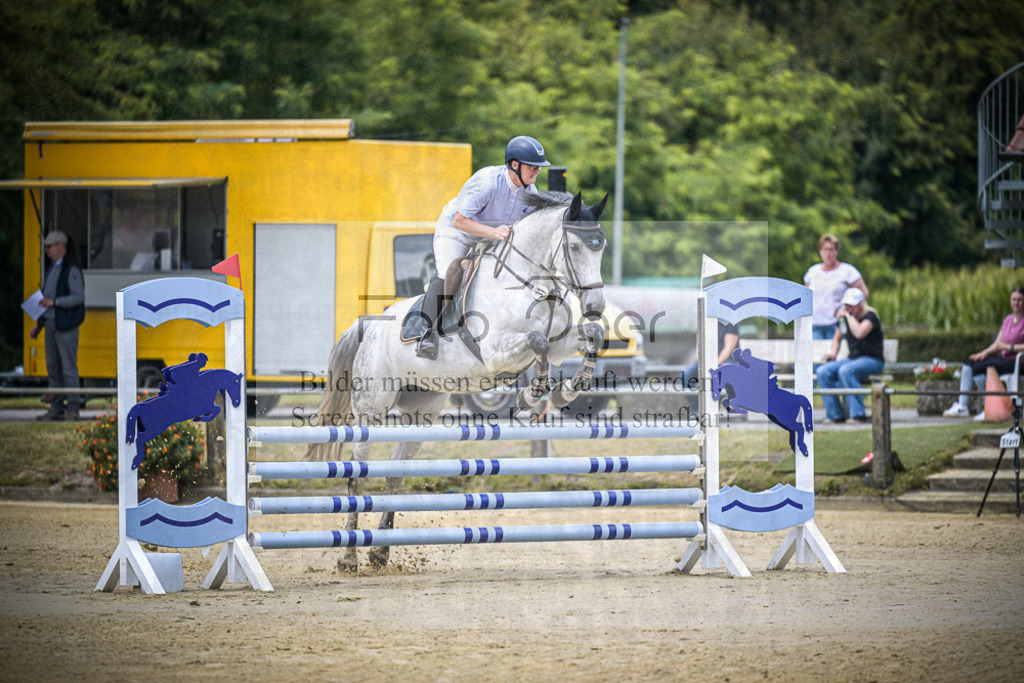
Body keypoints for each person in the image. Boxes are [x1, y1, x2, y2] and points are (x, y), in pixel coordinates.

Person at [416, 135, 551, 359]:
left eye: (539, 168)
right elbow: (459, 220)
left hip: (491, 237)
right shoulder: (487, 181)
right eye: (532, 167)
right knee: (447, 270)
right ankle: (426, 331)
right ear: (514, 165)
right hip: (456, 232)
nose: (536, 171)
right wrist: (493, 232)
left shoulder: (530, 193)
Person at [943, 286, 1024, 419]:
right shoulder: (1008, 320)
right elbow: (998, 344)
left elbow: (1004, 345)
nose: (1016, 303)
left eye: (1020, 300)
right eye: (1014, 299)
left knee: (980, 367)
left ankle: (988, 408)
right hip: (1005, 359)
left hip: (1018, 362)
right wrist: (983, 353)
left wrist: (1009, 347)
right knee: (971, 362)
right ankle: (963, 405)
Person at [30, 231, 86, 421]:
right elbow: (46, 300)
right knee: (52, 368)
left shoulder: (71, 270)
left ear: (61, 246)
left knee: (68, 368)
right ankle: (56, 408)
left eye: (50, 245)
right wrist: (39, 325)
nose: (47, 249)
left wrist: (54, 302)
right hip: (51, 325)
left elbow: (78, 297)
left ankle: (73, 408)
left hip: (66, 326)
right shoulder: (53, 268)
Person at [816, 288, 884, 423]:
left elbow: (859, 333)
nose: (848, 307)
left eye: (852, 304)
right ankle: (834, 415)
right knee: (823, 371)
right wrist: (833, 353)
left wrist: (848, 316)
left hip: (872, 360)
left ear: (860, 304)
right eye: (846, 304)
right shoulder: (845, 320)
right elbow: (837, 338)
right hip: (853, 359)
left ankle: (858, 414)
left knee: (846, 370)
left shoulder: (870, 316)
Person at [803, 234, 869, 340]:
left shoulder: (847, 271)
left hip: (837, 323)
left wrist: (850, 311)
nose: (828, 253)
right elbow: (805, 297)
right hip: (814, 323)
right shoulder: (812, 272)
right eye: (825, 250)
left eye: (831, 250)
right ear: (820, 251)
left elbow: (863, 294)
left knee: (837, 354)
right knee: (814, 354)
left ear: (836, 251)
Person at [682, 321, 740, 414]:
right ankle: (697, 411)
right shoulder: (704, 321)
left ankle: (712, 411)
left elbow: (729, 348)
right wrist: (702, 362)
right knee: (686, 375)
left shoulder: (731, 323)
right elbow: (699, 346)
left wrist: (714, 364)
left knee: (715, 376)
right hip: (705, 362)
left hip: (726, 362)